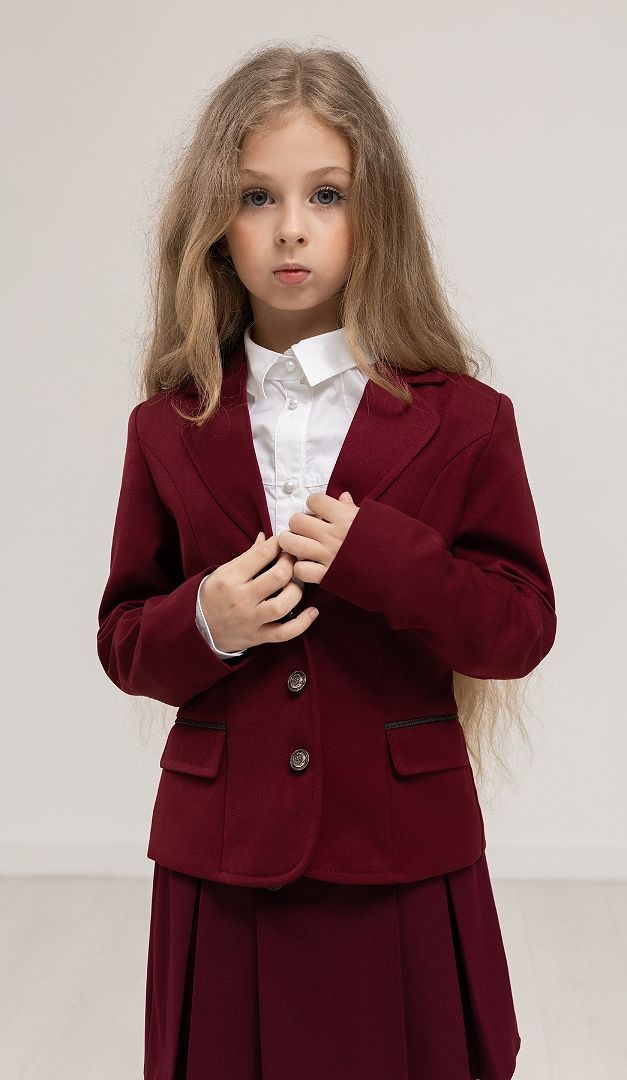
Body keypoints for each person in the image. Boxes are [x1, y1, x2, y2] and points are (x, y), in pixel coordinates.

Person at [96, 41, 557, 1080]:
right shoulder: (165, 427)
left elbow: (520, 629)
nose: (291, 227)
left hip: (401, 851)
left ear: (373, 212)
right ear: (215, 220)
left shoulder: (468, 420)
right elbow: (124, 639)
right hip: (224, 857)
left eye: (327, 194)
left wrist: (385, 559)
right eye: (257, 195)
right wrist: (207, 620)